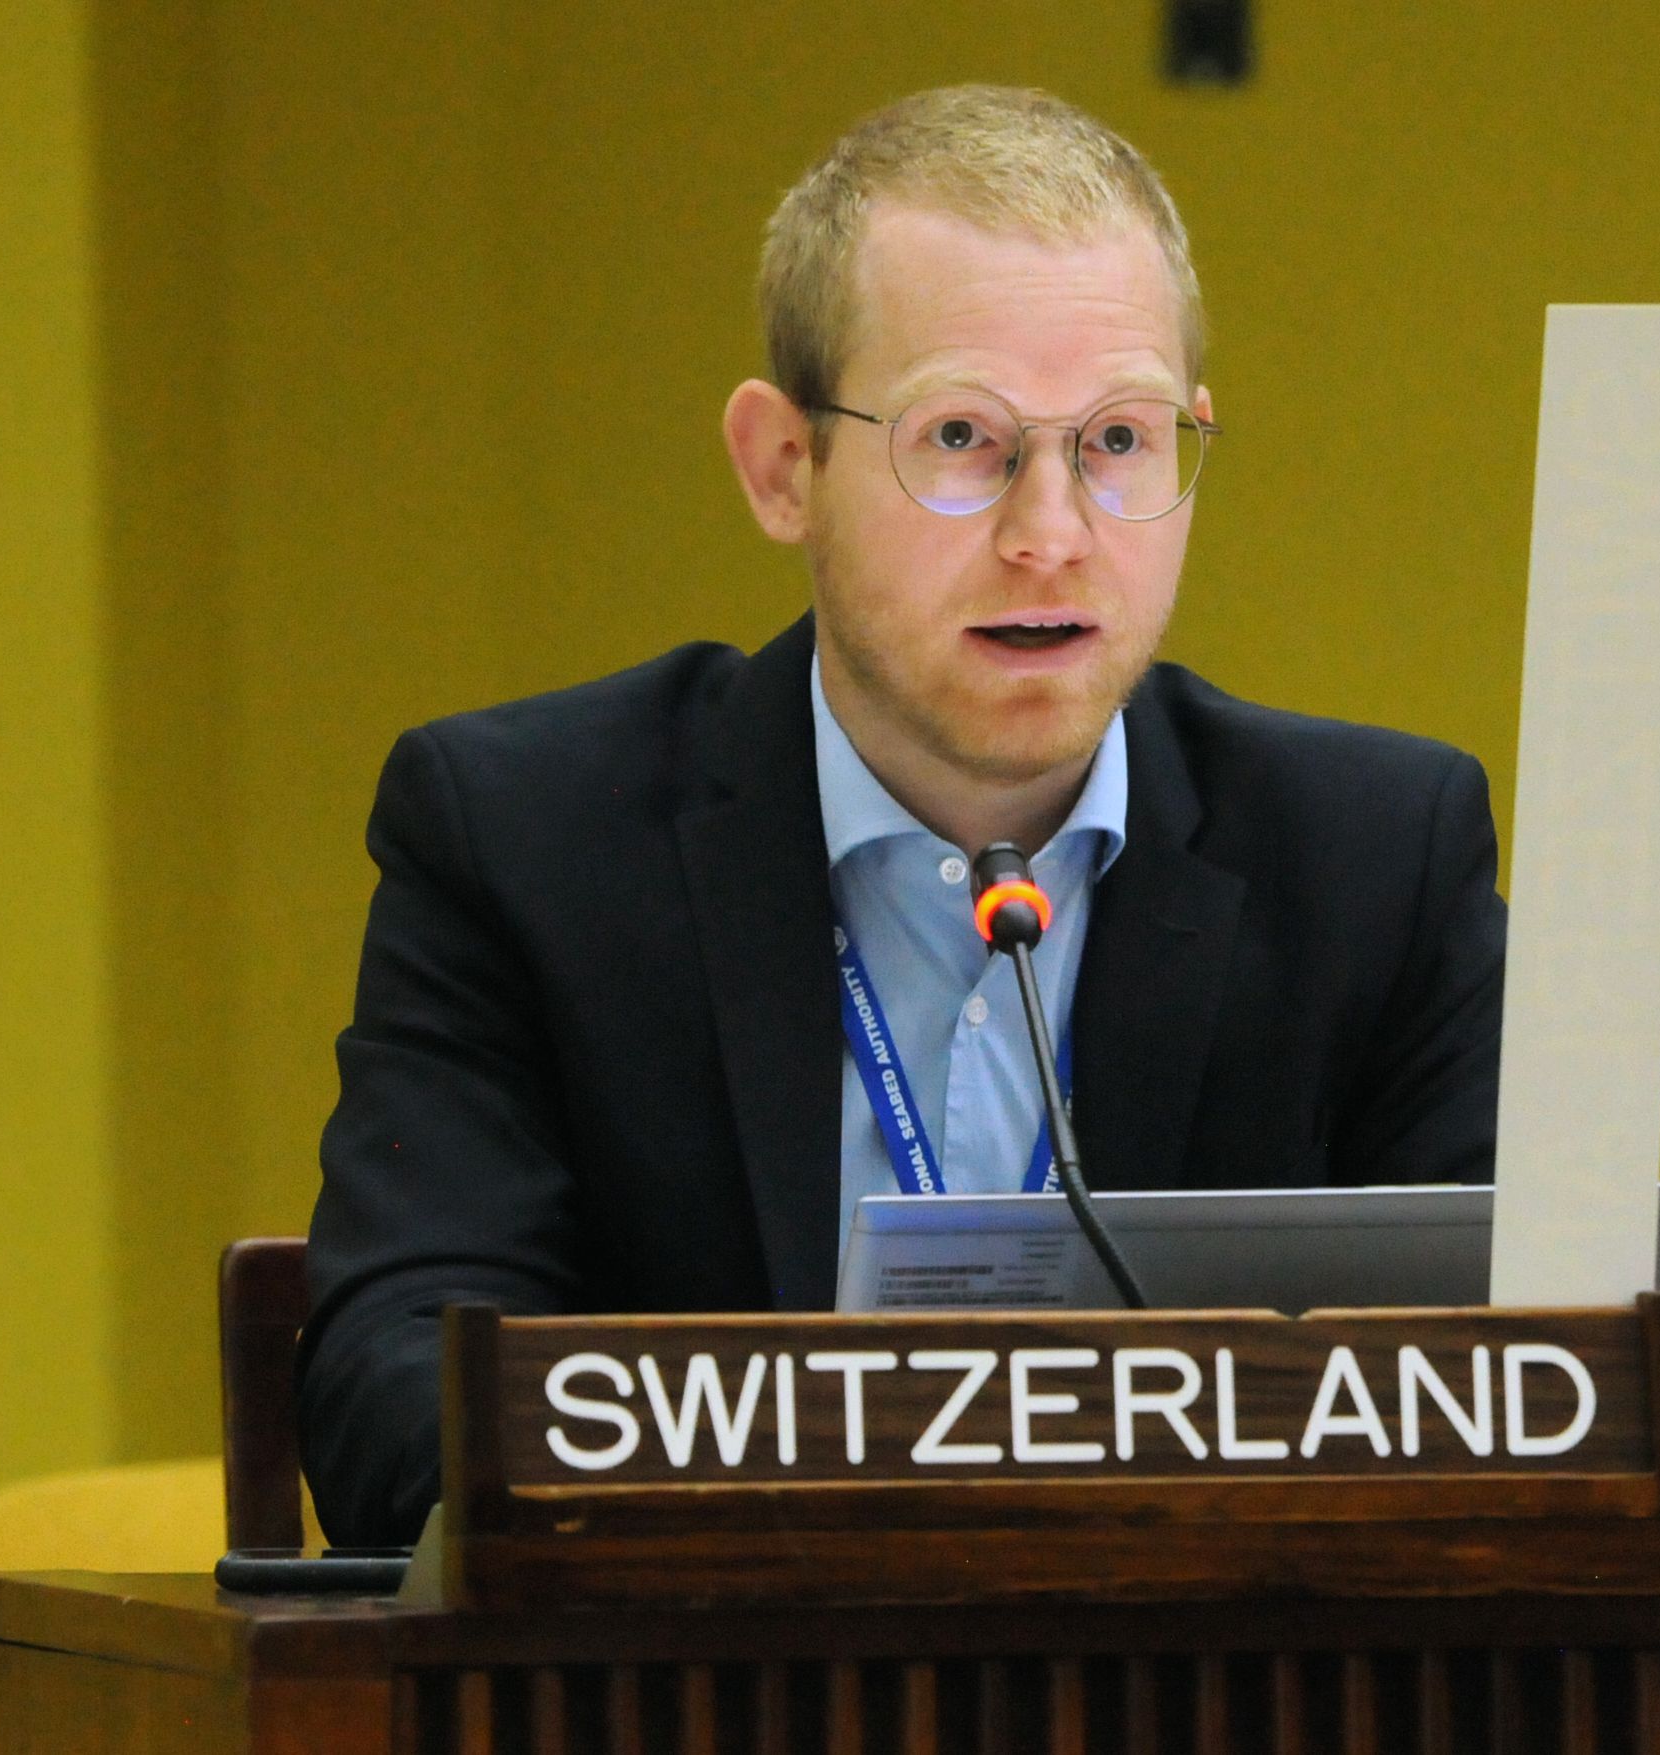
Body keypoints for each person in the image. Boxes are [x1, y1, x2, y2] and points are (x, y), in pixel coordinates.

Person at [297, 85, 1506, 1548]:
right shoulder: (524, 842)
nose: (1051, 534)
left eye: (1120, 441)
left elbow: (1529, 1387)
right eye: (962, 438)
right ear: (782, 469)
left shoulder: (1378, 860)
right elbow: (392, 1392)